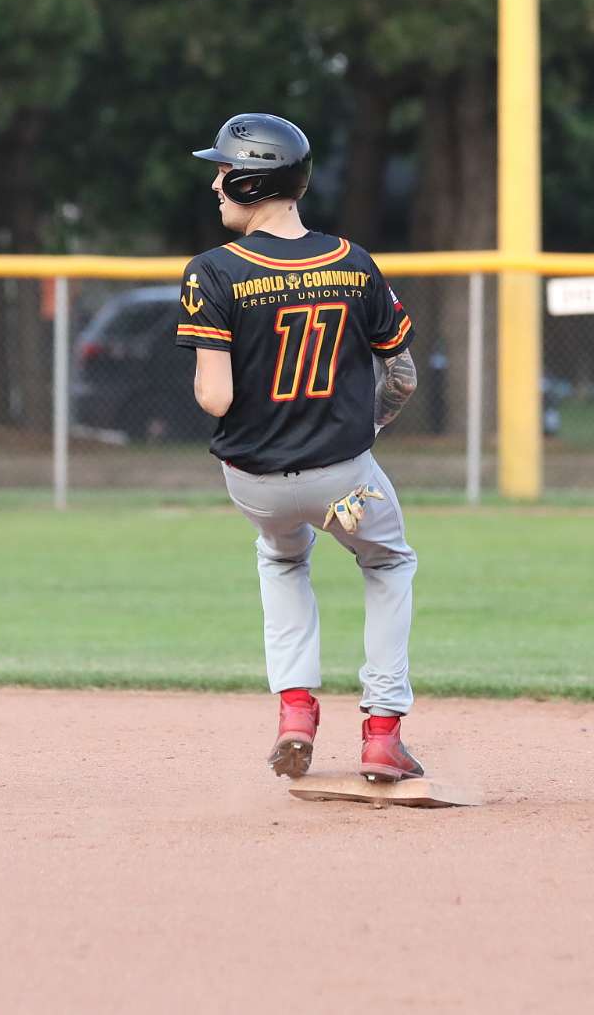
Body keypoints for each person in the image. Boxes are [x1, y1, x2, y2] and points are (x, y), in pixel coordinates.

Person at [176, 113, 426, 783]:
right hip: (344, 480)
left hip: (254, 483)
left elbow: (215, 399)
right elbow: (402, 376)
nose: (216, 185)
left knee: (283, 558)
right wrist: (368, 429)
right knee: (388, 563)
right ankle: (382, 733)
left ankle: (295, 712)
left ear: (252, 182)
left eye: (224, 172)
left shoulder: (211, 271)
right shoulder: (352, 262)